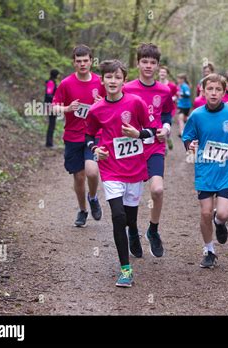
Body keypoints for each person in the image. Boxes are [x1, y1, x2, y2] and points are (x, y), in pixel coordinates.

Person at [86, 59, 156, 287]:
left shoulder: (136, 103)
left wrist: (138, 133)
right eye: (108, 77)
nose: (113, 81)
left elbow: (152, 133)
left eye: (117, 77)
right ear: (102, 80)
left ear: (124, 81)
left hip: (135, 170)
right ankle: (125, 269)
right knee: (118, 217)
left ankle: (134, 231)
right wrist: (95, 149)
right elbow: (88, 136)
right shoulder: (96, 109)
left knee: (130, 218)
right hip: (111, 169)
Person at [182, 73, 228, 268]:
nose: (213, 93)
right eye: (210, 89)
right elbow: (187, 137)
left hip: (226, 169)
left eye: (218, 89)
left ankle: (220, 223)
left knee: (223, 214)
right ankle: (209, 250)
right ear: (203, 91)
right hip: (205, 170)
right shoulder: (196, 115)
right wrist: (190, 145)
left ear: (224, 92)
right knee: (205, 213)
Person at [122, 43, 174, 258]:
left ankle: (153, 230)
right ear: (137, 63)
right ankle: (132, 231)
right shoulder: (127, 89)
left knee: (157, 190)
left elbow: (167, 116)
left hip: (154, 146)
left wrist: (167, 129)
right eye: (144, 62)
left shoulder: (164, 90)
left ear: (158, 65)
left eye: (153, 62)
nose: (148, 66)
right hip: (132, 149)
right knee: (129, 197)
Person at [52, 45, 104, 227]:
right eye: (78, 61)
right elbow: (54, 106)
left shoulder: (100, 82)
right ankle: (82, 210)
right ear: (74, 63)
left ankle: (94, 197)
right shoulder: (66, 83)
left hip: (94, 135)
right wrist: (67, 108)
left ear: (91, 61)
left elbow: (113, 103)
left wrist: (102, 103)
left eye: (85, 60)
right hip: (72, 136)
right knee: (79, 176)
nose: (82, 64)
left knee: (92, 171)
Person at [158, 65, 178, 151]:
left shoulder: (172, 86)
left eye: (164, 72)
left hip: (170, 109)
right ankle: (164, 147)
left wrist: (173, 98)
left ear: (167, 74)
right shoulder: (156, 84)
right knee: (160, 127)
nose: (162, 73)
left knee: (166, 126)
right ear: (158, 73)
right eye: (161, 72)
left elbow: (177, 94)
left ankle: (168, 139)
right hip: (158, 110)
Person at [45, 69, 59, 148]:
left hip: (52, 105)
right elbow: (48, 94)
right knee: (51, 124)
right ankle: (49, 143)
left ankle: (49, 142)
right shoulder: (51, 82)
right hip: (51, 105)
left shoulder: (52, 82)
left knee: (52, 124)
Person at [176, 73, 192, 137]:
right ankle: (181, 133)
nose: (178, 80)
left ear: (183, 79)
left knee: (183, 119)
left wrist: (181, 95)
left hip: (186, 105)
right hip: (181, 105)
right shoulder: (179, 86)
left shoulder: (185, 86)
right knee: (181, 118)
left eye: (180, 79)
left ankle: (184, 132)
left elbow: (188, 94)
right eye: (178, 78)